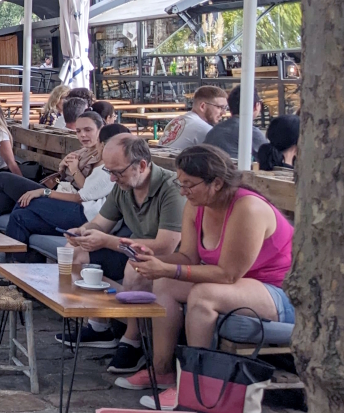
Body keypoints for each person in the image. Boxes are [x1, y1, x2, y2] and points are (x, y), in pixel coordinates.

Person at [118, 145, 294, 408]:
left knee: (203, 295)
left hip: (280, 294)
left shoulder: (248, 208)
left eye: (189, 184)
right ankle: (163, 371)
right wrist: (155, 260)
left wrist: (167, 268)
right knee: (165, 283)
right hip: (240, 286)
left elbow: (227, 275)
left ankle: (195, 389)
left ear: (217, 183)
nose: (182, 191)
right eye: (180, 183)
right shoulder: (196, 205)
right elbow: (188, 258)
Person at [61, 135, 185, 376]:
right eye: (109, 171)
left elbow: (165, 246)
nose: (112, 178)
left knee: (136, 265)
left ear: (141, 165)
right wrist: (82, 232)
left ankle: (133, 340)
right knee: (76, 252)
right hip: (132, 249)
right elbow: (100, 223)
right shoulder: (123, 185)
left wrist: (106, 241)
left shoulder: (171, 189)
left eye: (117, 172)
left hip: (171, 259)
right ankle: (98, 326)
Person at [0, 111, 107, 230]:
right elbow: (62, 178)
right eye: (78, 131)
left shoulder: (103, 157)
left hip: (66, 201)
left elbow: (87, 192)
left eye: (88, 130)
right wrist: (62, 167)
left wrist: (74, 169)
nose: (82, 135)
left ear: (101, 130)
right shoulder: (83, 151)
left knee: (2, 178)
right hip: (57, 190)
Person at [5, 123, 129, 248]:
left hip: (87, 216)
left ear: (102, 144)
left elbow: (80, 197)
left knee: (26, 201)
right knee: (19, 217)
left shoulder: (108, 171)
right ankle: (15, 258)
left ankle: (4, 253)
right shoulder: (97, 162)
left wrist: (44, 192)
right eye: (78, 131)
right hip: (85, 214)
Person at [203, 85, 267, 160]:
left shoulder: (214, 130)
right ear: (257, 105)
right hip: (234, 167)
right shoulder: (250, 131)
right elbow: (271, 158)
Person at [157, 85, 228, 150]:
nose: (224, 113)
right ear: (202, 106)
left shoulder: (178, 120)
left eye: (225, 108)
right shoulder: (204, 129)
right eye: (220, 107)